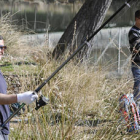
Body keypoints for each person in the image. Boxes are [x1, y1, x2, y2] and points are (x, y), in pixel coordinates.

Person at [0, 35, 38, 140]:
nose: (1, 50)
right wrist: (20, 97)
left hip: (3, 128)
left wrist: (16, 103)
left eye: (3, 47)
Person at [128, 10, 140, 102]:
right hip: (137, 65)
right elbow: (138, 47)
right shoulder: (133, 32)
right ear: (137, 19)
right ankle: (136, 111)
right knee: (138, 87)